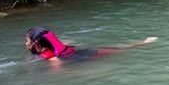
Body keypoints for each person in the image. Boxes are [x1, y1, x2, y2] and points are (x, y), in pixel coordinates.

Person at [25, 27, 157, 61]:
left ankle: (143, 43)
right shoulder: (48, 51)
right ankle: (142, 42)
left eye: (27, 40)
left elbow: (60, 68)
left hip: (85, 56)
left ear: (37, 44)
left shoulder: (51, 56)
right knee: (115, 49)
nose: (26, 43)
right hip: (79, 55)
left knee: (119, 50)